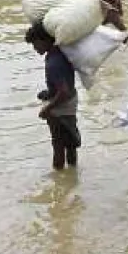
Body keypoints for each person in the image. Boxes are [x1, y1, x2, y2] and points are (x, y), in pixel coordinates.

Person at [26, 22, 80, 171]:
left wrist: (47, 109)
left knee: (58, 145)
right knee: (70, 144)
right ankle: (72, 174)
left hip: (61, 107)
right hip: (71, 103)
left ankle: (59, 182)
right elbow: (65, 87)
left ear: (45, 40)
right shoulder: (60, 52)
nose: (35, 48)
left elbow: (63, 92)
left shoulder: (53, 63)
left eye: (35, 44)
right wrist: (48, 92)